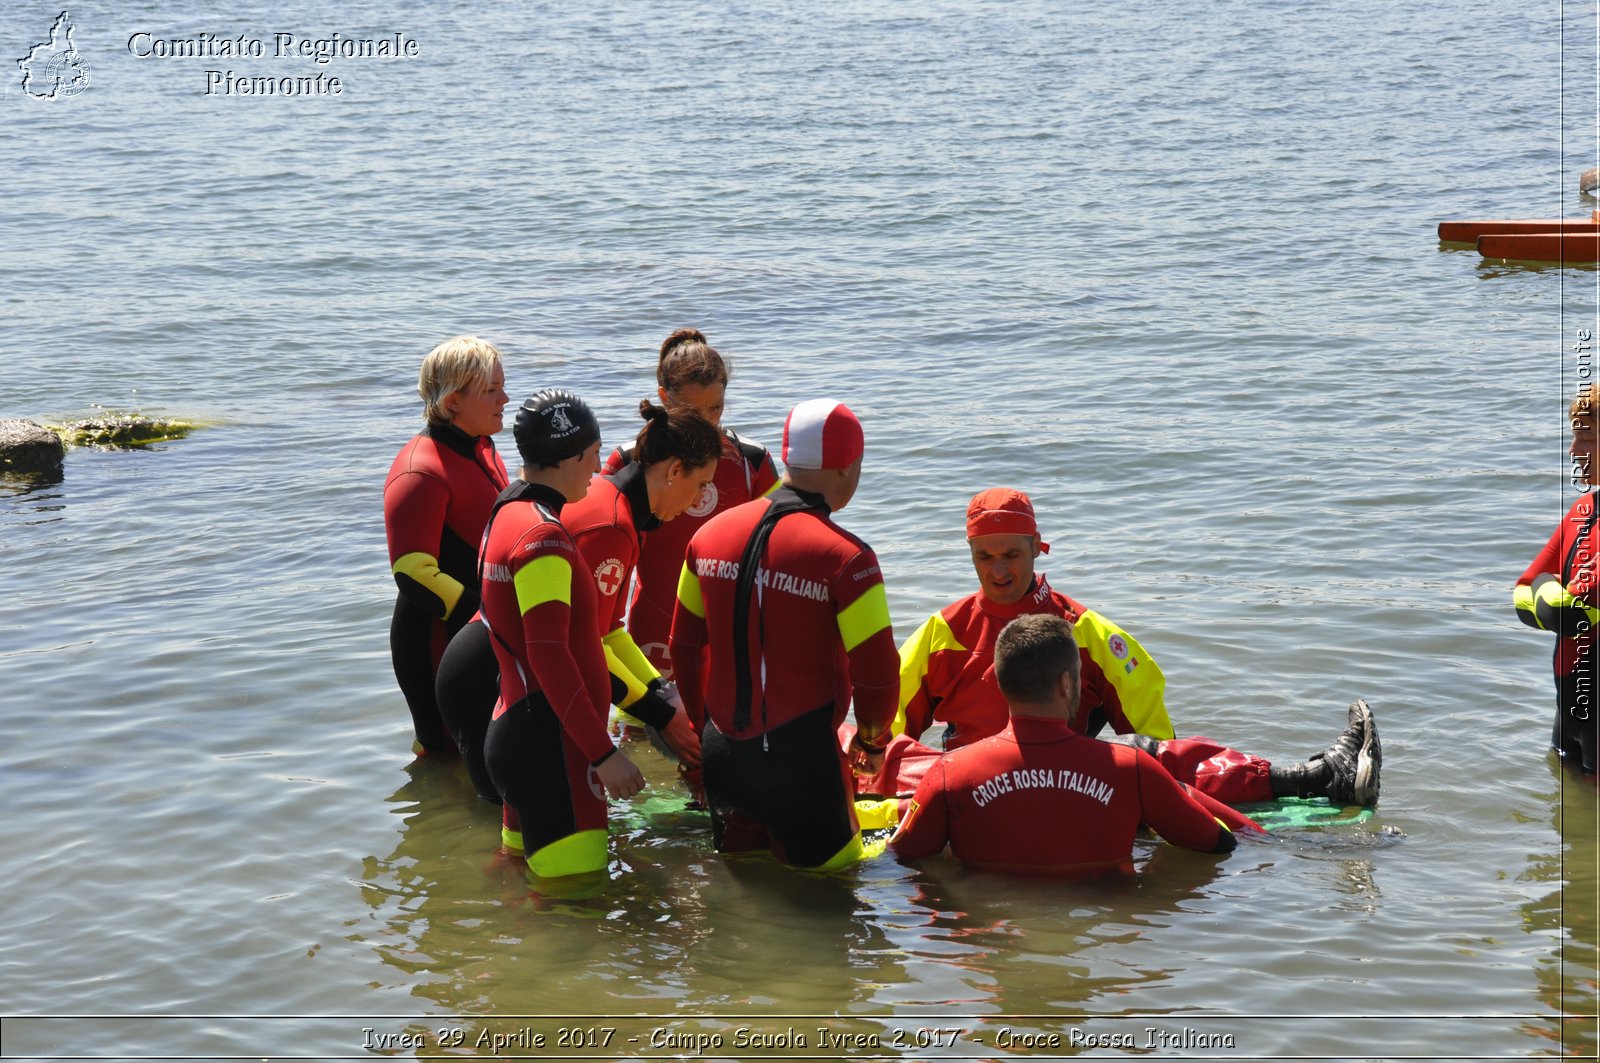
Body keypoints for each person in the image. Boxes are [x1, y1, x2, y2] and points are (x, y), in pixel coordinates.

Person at [887, 488, 1380, 807]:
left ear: (1038, 547)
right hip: (974, 785)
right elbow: (886, 729)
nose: (998, 570)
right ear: (970, 554)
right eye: (984, 557)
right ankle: (1318, 778)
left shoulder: (1086, 630)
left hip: (1063, 784)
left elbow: (1153, 731)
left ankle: (1319, 777)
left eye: (1011, 554)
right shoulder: (941, 632)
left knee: (1142, 756)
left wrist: (1159, 792)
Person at [670, 399, 898, 870]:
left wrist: (701, 734)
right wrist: (872, 741)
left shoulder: (706, 537)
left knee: (741, 894)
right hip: (802, 766)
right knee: (830, 904)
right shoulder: (849, 560)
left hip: (722, 757)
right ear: (851, 466)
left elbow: (684, 648)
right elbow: (877, 673)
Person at [890, 614, 1238, 878]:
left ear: (999, 682)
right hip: (1106, 937)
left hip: (993, 940)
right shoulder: (1132, 770)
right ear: (1067, 684)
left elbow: (903, 858)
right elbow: (1216, 845)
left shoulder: (949, 774)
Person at [479, 389, 647, 883]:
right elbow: (548, 652)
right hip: (556, 750)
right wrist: (604, 754)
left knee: (514, 878)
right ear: (571, 455)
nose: (597, 471)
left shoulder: (505, 512)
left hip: (517, 730)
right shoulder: (543, 538)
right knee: (573, 916)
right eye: (594, 456)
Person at [602, 329, 779, 678]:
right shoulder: (629, 462)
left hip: (731, 635)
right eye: (692, 410)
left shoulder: (752, 462)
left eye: (715, 408)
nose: (706, 422)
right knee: (647, 729)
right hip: (653, 635)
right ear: (664, 398)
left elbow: (775, 561)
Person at [564, 400, 722, 761]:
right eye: (700, 485)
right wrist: (663, 714)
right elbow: (583, 647)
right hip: (498, 680)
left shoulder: (621, 507)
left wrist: (662, 691)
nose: (700, 499)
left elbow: (610, 632)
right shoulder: (611, 525)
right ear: (675, 469)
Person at [384, 336, 509, 754]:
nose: (505, 398)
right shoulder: (420, 471)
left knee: (493, 751)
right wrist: (487, 619)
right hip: (436, 640)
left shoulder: (483, 447)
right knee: (447, 757)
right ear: (454, 401)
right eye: (492, 390)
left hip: (479, 632)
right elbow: (414, 574)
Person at [1516, 382, 1599, 773]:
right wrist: (1553, 600)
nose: (1573, 451)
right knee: (1567, 817)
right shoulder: (1583, 511)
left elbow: (1564, 606)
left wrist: (1552, 601)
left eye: (1588, 439)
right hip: (1568, 713)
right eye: (1574, 437)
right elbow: (1526, 586)